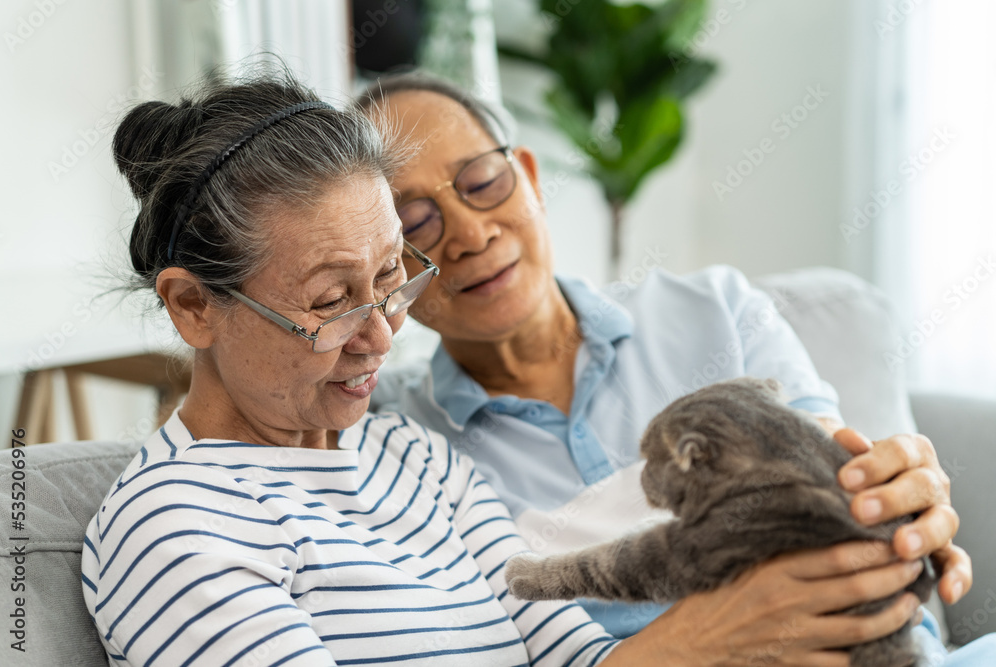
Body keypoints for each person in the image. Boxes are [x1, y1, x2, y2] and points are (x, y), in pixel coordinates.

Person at [77, 72, 730, 666]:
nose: (381, 335)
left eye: (392, 274)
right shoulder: (175, 523)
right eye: (330, 302)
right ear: (193, 306)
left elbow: (581, 656)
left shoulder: (421, 460)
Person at [360, 73, 996, 664]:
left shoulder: (717, 310)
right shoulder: (397, 448)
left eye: (482, 182)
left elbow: (836, 468)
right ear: (386, 272)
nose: (471, 235)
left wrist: (897, 493)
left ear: (527, 174)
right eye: (415, 223)